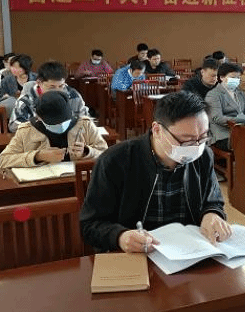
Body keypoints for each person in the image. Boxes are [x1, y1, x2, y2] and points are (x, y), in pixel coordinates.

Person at [80, 90, 231, 253]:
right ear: (157, 130)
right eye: (186, 140)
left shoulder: (203, 156)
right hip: (137, 254)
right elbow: (90, 225)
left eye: (203, 137)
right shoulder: (116, 161)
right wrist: (120, 237)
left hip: (189, 252)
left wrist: (212, 214)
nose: (196, 147)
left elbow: (213, 201)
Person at [205, 62, 245, 211]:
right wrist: (241, 119)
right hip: (223, 135)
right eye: (233, 77)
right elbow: (217, 118)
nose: (236, 80)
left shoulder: (240, 93)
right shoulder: (213, 94)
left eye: (238, 78)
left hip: (244, 131)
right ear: (222, 77)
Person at [0, 91, 107, 169]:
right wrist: (38, 156)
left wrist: (86, 152)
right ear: (39, 117)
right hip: (42, 184)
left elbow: (106, 154)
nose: (61, 125)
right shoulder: (26, 131)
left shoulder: (85, 124)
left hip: (78, 180)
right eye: (54, 123)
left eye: (64, 120)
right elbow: (3, 160)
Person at [9, 61, 89, 133]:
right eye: (52, 87)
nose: (57, 91)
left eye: (61, 86)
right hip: (38, 140)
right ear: (39, 83)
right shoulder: (27, 100)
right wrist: (39, 123)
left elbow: (85, 121)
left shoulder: (73, 96)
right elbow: (14, 126)